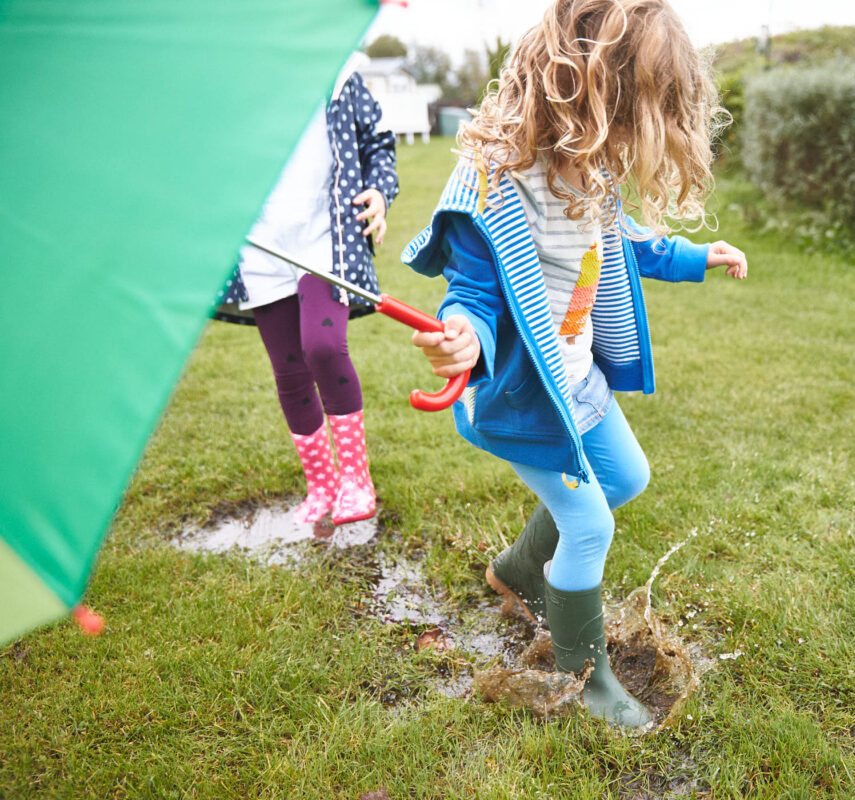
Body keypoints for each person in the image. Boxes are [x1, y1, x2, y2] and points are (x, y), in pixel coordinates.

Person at [403, 0, 748, 727]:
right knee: (589, 524)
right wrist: (462, 337)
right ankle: (583, 680)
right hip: (523, 399)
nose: (629, 141)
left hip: (576, 381)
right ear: (580, 93)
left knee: (628, 477)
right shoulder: (495, 185)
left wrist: (693, 256)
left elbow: (623, 238)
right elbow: (471, 290)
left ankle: (518, 571)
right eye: (628, 117)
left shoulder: (590, 171)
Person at [214, 54, 398, 527]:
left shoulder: (338, 75)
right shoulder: (229, 85)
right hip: (261, 243)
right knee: (288, 371)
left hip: (325, 236)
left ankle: (356, 479)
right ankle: (323, 485)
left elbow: (378, 144)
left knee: (322, 346)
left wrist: (379, 192)